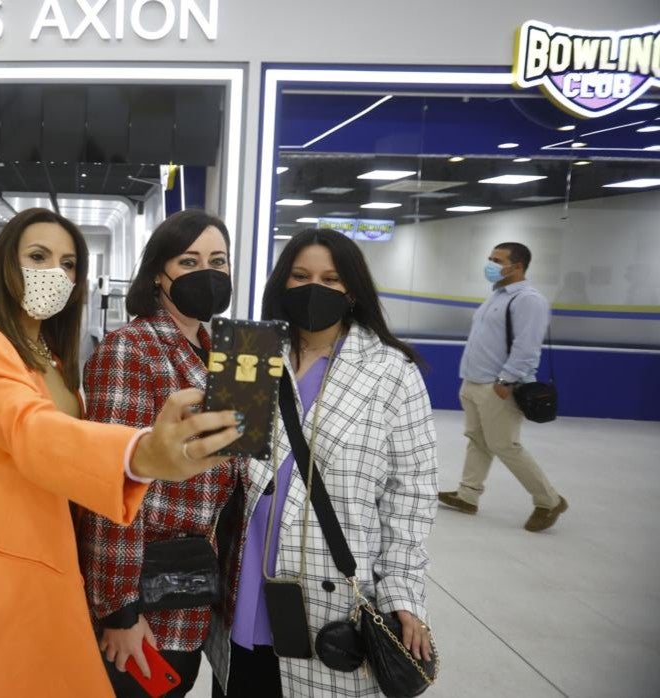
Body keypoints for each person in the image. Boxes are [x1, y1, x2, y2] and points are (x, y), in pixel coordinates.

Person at [0, 208, 246, 698]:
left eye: (69, 263)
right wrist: (138, 454)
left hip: (50, 551)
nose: (56, 272)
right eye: (38, 256)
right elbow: (29, 429)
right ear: (6, 264)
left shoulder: (46, 352)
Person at [207, 228, 437, 698]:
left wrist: (404, 595)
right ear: (282, 283)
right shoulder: (249, 351)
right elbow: (222, 466)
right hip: (246, 573)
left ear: (352, 290)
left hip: (332, 595)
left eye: (331, 279)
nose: (316, 288)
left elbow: (411, 496)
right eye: (301, 275)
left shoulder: (391, 372)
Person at [76, 209, 247, 698]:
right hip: (143, 601)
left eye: (218, 261)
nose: (207, 273)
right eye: (189, 261)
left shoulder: (225, 353)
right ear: (158, 273)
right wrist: (119, 611)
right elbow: (111, 486)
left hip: (196, 591)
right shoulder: (131, 348)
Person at [439, 242, 567, 532]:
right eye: (490, 258)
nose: (490, 264)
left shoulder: (528, 300)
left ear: (517, 266)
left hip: (499, 386)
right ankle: (467, 495)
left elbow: (527, 346)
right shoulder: (497, 295)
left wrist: (506, 379)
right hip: (474, 380)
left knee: (505, 446)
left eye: (497, 260)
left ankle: (549, 501)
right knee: (478, 440)